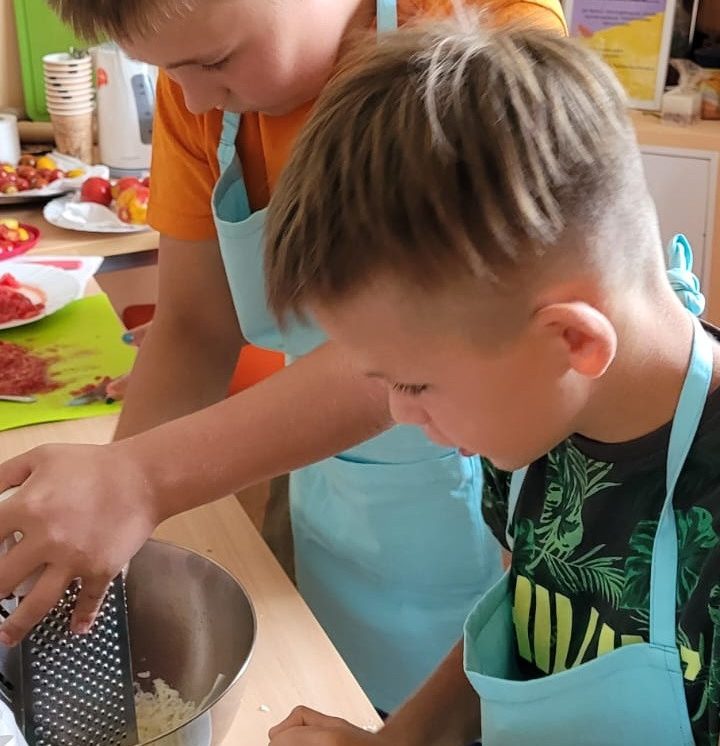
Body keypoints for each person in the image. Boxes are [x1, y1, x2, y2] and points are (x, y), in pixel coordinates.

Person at [0, 0, 565, 715]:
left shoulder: (494, 47)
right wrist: (113, 506)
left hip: (505, 537)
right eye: (169, 72)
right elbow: (197, 327)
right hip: (327, 496)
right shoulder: (200, 88)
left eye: (214, 61)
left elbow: (431, 350)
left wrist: (141, 478)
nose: (193, 98)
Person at [259, 18, 720, 746]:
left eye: (416, 385)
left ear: (571, 341)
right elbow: (521, 613)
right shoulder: (536, 423)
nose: (397, 413)